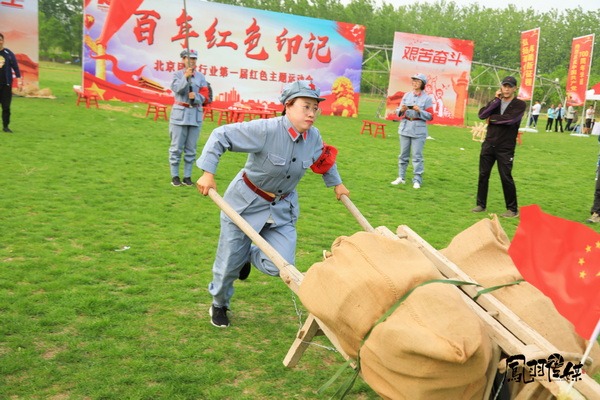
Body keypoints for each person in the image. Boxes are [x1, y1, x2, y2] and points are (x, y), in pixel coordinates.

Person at [196, 80, 350, 328]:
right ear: (288, 106)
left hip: (282, 209)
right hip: (245, 204)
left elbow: (323, 160)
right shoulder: (266, 130)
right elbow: (220, 135)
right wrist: (207, 173)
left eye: (315, 108)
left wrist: (336, 184)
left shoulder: (314, 137)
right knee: (228, 266)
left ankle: (247, 255)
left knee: (281, 266)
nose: (311, 113)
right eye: (306, 107)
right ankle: (219, 304)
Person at [471, 76, 526, 218]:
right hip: (489, 144)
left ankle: (512, 209)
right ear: (501, 87)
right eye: (504, 86)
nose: (506, 89)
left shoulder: (519, 105)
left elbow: (510, 120)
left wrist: (492, 119)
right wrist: (495, 100)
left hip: (505, 147)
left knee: (505, 177)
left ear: (515, 88)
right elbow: (482, 115)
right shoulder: (495, 103)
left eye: (510, 86)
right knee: (483, 175)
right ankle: (481, 205)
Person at [168, 49, 209, 187]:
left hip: (195, 115)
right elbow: (177, 89)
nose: (192, 61)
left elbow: (206, 96)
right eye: (189, 58)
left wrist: (196, 97)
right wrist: (185, 77)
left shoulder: (201, 77)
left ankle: (187, 176)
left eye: (194, 59)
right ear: (183, 59)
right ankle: (175, 176)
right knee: (176, 148)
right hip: (180, 115)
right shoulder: (177, 74)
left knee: (191, 149)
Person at [390, 73, 433, 189]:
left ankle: (417, 179)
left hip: (419, 129)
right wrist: (401, 110)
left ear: (423, 84)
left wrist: (420, 111)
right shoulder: (406, 95)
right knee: (403, 155)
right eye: (413, 81)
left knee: (417, 156)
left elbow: (430, 116)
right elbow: (398, 111)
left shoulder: (427, 98)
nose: (414, 83)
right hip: (405, 127)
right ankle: (401, 177)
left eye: (417, 81)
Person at [0, 32, 22, 133]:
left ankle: (5, 127)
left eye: (1, 40)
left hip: (6, 85)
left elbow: (15, 67)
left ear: (3, 41)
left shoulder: (8, 53)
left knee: (6, 107)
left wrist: (19, 80)